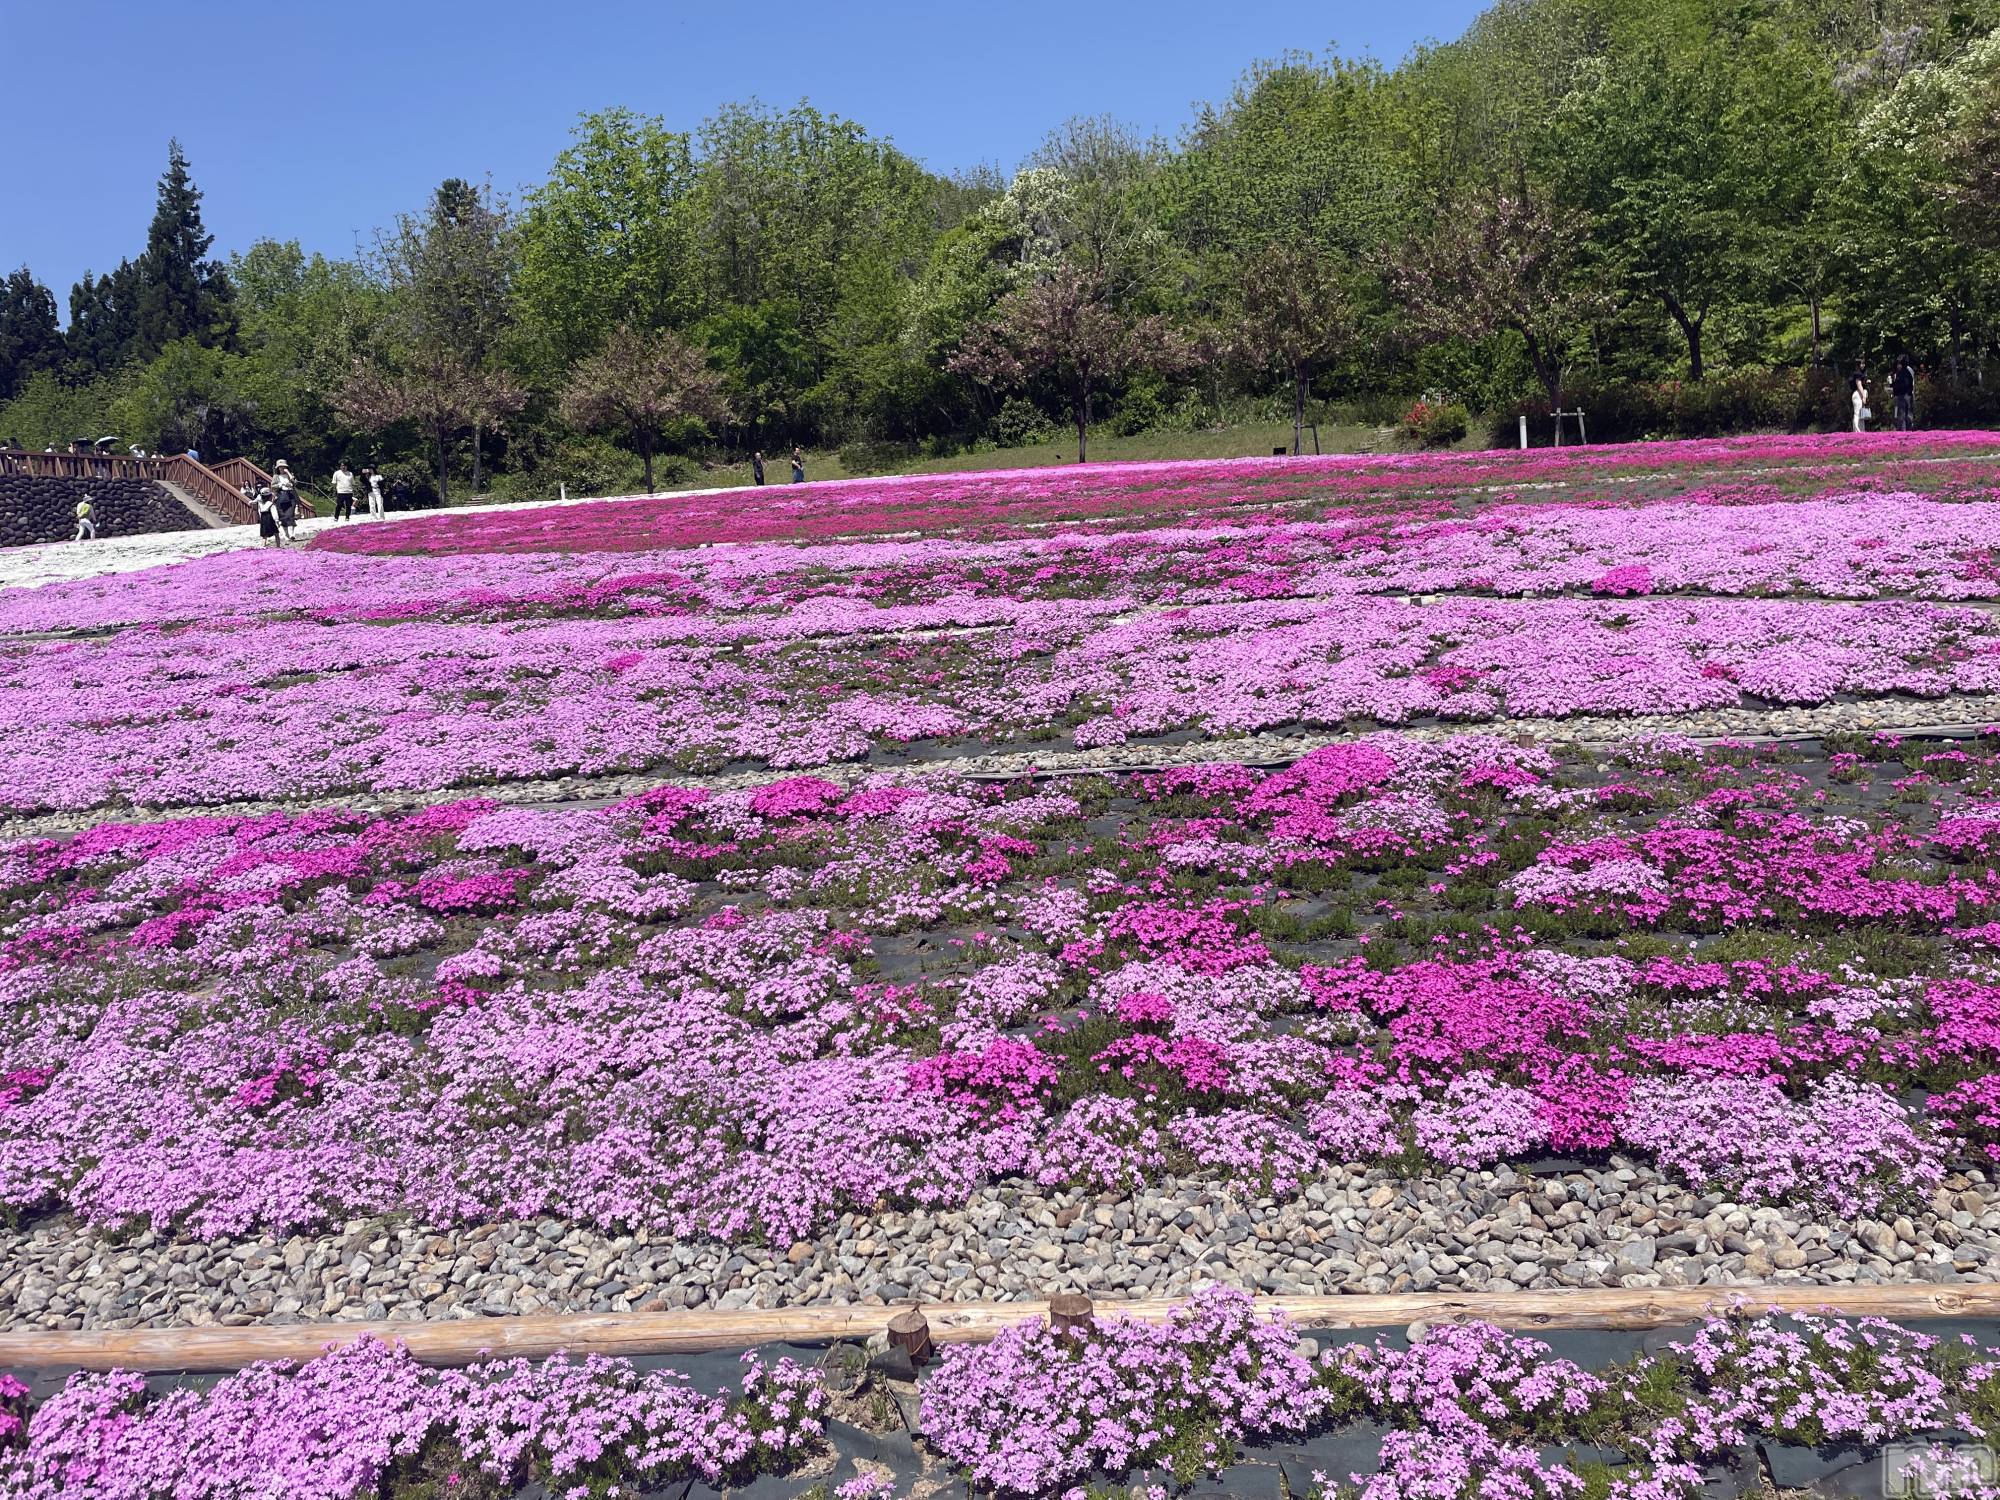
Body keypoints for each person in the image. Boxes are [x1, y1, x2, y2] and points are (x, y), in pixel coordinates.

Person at [273, 460, 299, 538]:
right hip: (281, 496)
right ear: (278, 468)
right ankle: (286, 534)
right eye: (280, 467)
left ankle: (292, 534)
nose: (282, 468)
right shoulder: (276, 476)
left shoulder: (290, 475)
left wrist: (288, 474)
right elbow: (273, 486)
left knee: (290, 515)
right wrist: (281, 485)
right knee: (283, 516)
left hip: (290, 495)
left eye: (283, 466)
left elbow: (295, 482)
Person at [1892, 355, 1917, 432]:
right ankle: (1908, 428)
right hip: (1907, 394)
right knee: (1907, 413)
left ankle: (1903, 430)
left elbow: (1903, 384)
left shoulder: (1903, 372)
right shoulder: (1908, 371)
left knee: (1902, 414)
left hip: (1903, 395)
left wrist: (1896, 390)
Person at [1850, 362, 1870, 433]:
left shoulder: (1863, 372)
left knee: (1862, 414)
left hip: (1861, 393)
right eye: (1861, 364)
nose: (1863, 365)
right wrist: (1863, 396)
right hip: (1858, 394)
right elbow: (1859, 385)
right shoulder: (1857, 373)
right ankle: (1857, 429)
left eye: (1864, 364)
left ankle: (1861, 430)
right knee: (1857, 413)